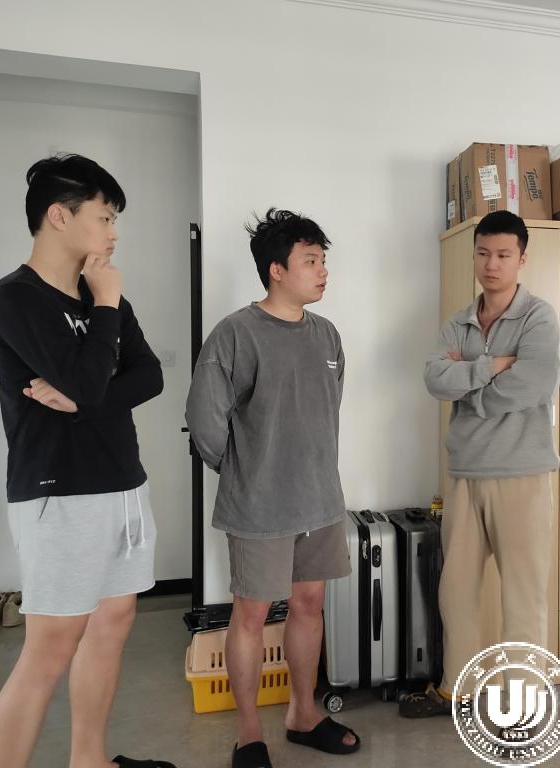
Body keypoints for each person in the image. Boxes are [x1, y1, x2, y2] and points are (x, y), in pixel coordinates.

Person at [0, 154, 171, 768]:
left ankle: (89, 760)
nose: (113, 232)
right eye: (105, 217)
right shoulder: (15, 298)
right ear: (59, 216)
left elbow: (150, 375)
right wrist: (107, 308)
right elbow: (93, 382)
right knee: (50, 650)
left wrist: (85, 401)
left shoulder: (100, 294)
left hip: (121, 482)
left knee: (112, 623)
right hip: (58, 492)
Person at [186, 208, 359, 768]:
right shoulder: (237, 333)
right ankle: (248, 734)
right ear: (276, 269)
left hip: (320, 500)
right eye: (311, 260)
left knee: (309, 605)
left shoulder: (326, 334)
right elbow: (205, 421)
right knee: (252, 615)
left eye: (323, 260)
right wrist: (246, 472)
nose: (323, 270)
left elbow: (328, 407)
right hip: (259, 505)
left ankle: (303, 715)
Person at [403, 210, 560, 717]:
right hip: (465, 472)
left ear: (521, 259)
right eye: (483, 253)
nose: (491, 264)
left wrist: (468, 388)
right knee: (455, 593)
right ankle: (458, 688)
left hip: (522, 475)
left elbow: (532, 384)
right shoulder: (459, 321)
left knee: (522, 598)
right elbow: (434, 379)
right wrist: (491, 366)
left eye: (503, 255)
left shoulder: (539, 317)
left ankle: (525, 706)